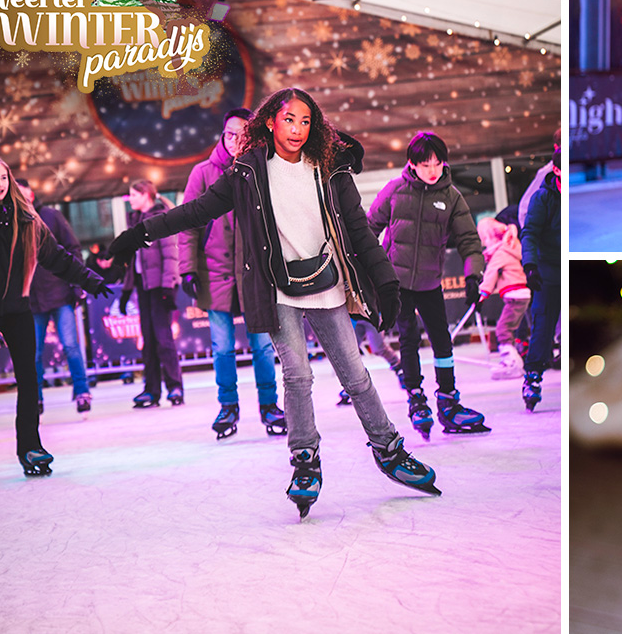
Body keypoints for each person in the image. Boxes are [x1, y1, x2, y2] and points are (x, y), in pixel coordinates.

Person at [109, 87, 439, 518]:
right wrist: (140, 233)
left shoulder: (330, 167)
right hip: (278, 287)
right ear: (269, 121)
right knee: (297, 376)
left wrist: (387, 283)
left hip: (328, 281)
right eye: (289, 120)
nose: (297, 129)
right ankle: (305, 460)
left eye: (305, 121)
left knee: (355, 374)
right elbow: (196, 211)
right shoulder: (248, 172)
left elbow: (359, 230)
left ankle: (389, 450)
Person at [0, 157, 110, 486]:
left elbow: (56, 257)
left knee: (29, 378)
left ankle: (30, 448)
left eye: (3, 178)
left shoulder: (26, 219)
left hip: (16, 308)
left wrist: (90, 279)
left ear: (10, 181)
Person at [368, 131, 488, 441]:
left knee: (442, 340)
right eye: (425, 164)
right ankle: (416, 396)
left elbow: (469, 240)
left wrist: (474, 275)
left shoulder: (451, 197)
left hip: (430, 281)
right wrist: (372, 269)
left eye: (437, 163)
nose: (432, 170)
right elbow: (369, 228)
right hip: (397, 282)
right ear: (412, 164)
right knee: (408, 337)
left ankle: (448, 400)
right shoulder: (395, 191)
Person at [179, 108, 285, 440]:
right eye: (229, 134)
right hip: (217, 271)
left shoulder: (266, 169)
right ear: (221, 136)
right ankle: (228, 406)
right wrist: (187, 267)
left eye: (242, 134)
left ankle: (269, 405)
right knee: (222, 346)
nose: (236, 141)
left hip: (257, 273)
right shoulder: (203, 173)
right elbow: (187, 223)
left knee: (264, 346)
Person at [16, 179, 93, 418]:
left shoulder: (50, 215)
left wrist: (77, 282)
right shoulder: (11, 222)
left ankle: (82, 392)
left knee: (70, 345)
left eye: (22, 190)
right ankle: (35, 398)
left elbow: (73, 248)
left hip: (59, 294)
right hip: (32, 299)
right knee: (33, 352)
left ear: (31, 191)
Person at [122, 180, 185, 408]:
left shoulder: (160, 218)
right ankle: (151, 390)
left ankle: (175, 386)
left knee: (162, 337)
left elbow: (170, 254)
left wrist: (169, 285)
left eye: (133, 194)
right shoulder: (135, 220)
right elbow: (133, 259)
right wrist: (127, 290)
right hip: (144, 286)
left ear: (146, 195)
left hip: (161, 286)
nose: (130, 199)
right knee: (147, 339)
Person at [520, 150, 560, 412]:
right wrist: (531, 266)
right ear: (556, 172)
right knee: (543, 324)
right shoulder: (542, 198)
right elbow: (530, 233)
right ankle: (533, 376)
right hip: (548, 270)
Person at [476, 218, 530, 381]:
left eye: (484, 239)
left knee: (503, 329)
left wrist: (482, 294)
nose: (484, 244)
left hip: (515, 295)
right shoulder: (510, 248)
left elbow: (491, 275)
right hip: (520, 294)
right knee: (509, 327)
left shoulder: (500, 254)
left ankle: (512, 363)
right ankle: (514, 359)